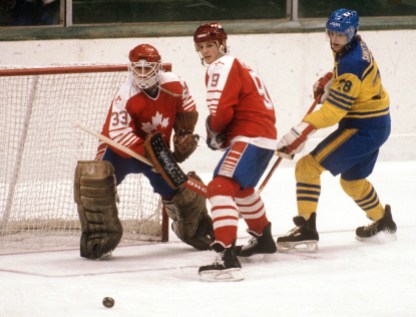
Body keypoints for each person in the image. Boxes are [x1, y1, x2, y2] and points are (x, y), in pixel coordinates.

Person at [74, 43, 214, 259]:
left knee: (181, 193)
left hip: (156, 151)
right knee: (96, 181)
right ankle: (99, 235)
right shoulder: (125, 94)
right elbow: (119, 133)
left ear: (157, 67)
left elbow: (186, 102)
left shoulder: (174, 83)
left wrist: (184, 132)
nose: (141, 74)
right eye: (137, 69)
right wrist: (149, 152)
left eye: (146, 68)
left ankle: (195, 229)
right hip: (119, 152)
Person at [275, 8, 397, 252]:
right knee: (352, 182)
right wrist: (332, 80)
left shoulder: (351, 62)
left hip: (362, 127)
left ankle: (306, 229)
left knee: (307, 167)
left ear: (352, 33)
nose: (334, 39)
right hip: (377, 123)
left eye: (341, 35)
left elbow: (334, 112)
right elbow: (352, 79)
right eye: (331, 33)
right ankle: (383, 222)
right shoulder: (353, 46)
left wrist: (301, 131)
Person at [193, 23, 278, 281]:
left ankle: (226, 255)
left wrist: (214, 130)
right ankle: (263, 238)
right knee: (242, 190)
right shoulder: (242, 65)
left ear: (221, 44)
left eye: (210, 45)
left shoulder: (220, 66)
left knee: (220, 187)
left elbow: (222, 110)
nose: (206, 51)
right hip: (264, 137)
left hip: (249, 136)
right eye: (201, 47)